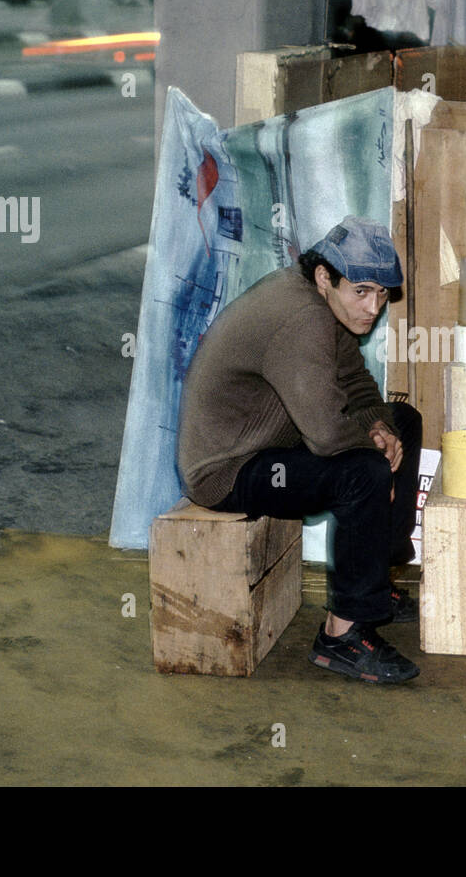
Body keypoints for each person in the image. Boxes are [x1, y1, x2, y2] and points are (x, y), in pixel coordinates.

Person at [176, 215, 423, 683]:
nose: (372, 308)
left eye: (382, 295)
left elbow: (353, 383)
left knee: (404, 423)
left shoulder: (324, 303)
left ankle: (374, 584)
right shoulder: (303, 316)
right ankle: (341, 636)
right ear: (324, 276)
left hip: (275, 442)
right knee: (363, 472)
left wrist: (381, 429)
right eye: (362, 291)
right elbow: (329, 435)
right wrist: (374, 452)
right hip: (230, 467)